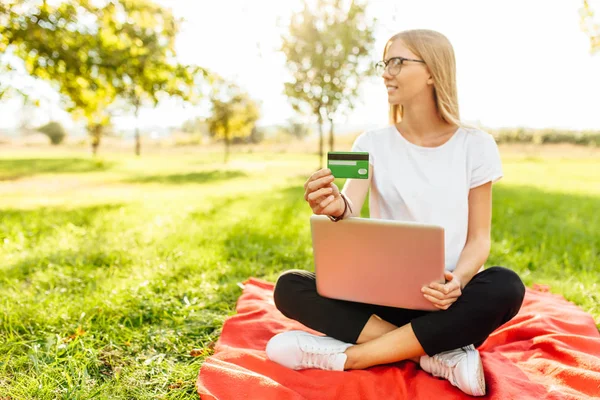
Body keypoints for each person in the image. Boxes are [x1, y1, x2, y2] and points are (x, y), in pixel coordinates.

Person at [264, 29, 525, 397]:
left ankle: (352, 356)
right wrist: (334, 207)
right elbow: (347, 204)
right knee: (290, 286)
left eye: (397, 62)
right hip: (380, 302)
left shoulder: (476, 145)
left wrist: (458, 283)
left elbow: (479, 238)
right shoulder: (368, 143)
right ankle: (435, 354)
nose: (386, 73)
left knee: (506, 285)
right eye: (384, 63)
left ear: (433, 71)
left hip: (446, 305)